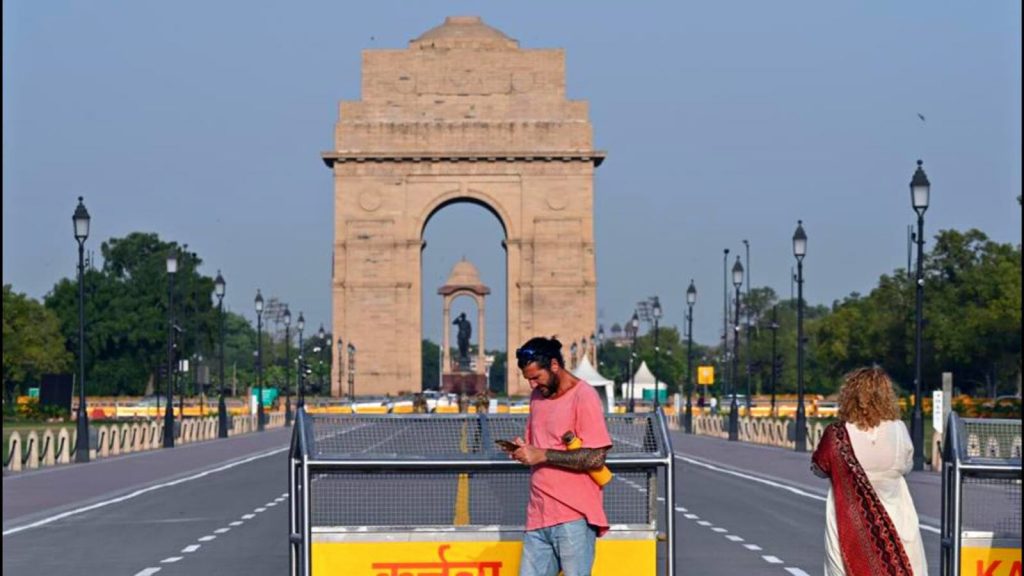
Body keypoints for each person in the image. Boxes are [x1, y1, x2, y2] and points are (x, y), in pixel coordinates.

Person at [508, 337, 612, 576]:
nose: (533, 385)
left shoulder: (583, 396)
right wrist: (523, 450)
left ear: (554, 365)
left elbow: (596, 457)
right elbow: (537, 447)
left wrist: (542, 455)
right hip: (538, 514)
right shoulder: (538, 398)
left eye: (536, 377)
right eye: (528, 379)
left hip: (573, 515)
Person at [811, 366, 927, 576]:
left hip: (849, 527)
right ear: (886, 397)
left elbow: (818, 468)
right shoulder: (899, 429)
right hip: (897, 524)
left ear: (849, 396)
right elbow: (906, 465)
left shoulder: (836, 435)